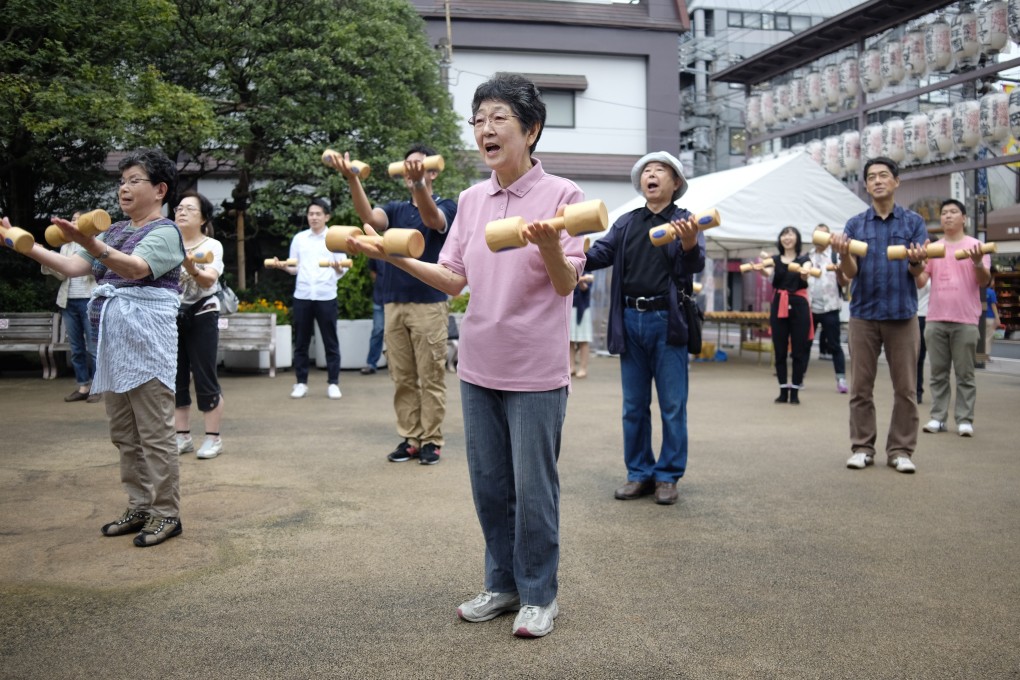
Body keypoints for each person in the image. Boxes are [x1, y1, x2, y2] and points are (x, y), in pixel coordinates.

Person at [344, 73, 585, 638]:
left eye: (499, 117)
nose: (485, 129)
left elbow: (566, 283)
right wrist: (393, 257)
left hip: (535, 370)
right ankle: (502, 586)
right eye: (478, 120)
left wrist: (550, 244)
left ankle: (539, 594)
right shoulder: (473, 201)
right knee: (490, 485)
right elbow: (452, 279)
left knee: (534, 488)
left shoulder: (564, 196)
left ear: (532, 129)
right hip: (479, 364)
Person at [5, 148, 186, 546]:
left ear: (159, 190)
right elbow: (71, 266)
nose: (124, 188)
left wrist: (90, 241)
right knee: (124, 434)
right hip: (114, 345)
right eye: (121, 181)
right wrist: (18, 241)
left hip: (148, 346)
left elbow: (135, 269)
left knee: (155, 435)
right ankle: (139, 506)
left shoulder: (166, 232)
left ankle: (166, 514)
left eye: (133, 180)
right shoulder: (116, 230)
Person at [584, 151, 705, 505]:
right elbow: (597, 254)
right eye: (647, 172)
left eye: (660, 171)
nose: (651, 176)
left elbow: (694, 264)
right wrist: (563, 247)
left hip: (667, 321)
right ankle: (639, 473)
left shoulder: (686, 220)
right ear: (641, 183)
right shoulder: (626, 222)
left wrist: (688, 241)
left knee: (672, 404)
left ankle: (667, 476)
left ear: (675, 183)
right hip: (629, 319)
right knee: (633, 406)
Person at [331, 145, 456, 466]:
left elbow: (432, 219)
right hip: (393, 303)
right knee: (401, 377)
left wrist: (419, 185)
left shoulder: (447, 206)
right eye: (407, 168)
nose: (410, 172)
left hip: (429, 303)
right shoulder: (397, 208)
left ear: (432, 171)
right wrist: (352, 180)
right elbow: (369, 217)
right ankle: (411, 437)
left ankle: (432, 439)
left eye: (418, 167)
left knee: (430, 376)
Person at [830, 157, 927, 474]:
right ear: (866, 185)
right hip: (864, 315)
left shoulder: (913, 223)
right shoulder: (855, 225)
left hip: (902, 315)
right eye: (871, 177)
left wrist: (915, 260)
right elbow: (848, 273)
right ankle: (861, 447)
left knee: (906, 389)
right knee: (860, 388)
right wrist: (844, 253)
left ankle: (900, 450)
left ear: (896, 181)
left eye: (884, 175)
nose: (877, 181)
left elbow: (918, 272)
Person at [916, 199, 992, 438]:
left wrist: (978, 261)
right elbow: (921, 282)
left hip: (966, 319)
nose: (947, 216)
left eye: (953, 212)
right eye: (944, 213)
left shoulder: (976, 246)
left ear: (964, 218)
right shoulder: (934, 247)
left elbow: (983, 281)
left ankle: (965, 419)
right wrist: (917, 263)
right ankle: (938, 417)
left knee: (965, 373)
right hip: (935, 317)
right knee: (938, 372)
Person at [268, 198, 347, 400]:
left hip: (326, 294)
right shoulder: (300, 238)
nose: (313, 217)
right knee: (301, 341)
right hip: (303, 295)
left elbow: (343, 267)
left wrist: (336, 266)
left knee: (330, 341)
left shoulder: (334, 238)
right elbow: (294, 267)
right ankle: (301, 382)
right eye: (311, 214)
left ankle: (333, 383)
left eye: (318, 213)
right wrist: (283, 266)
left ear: (326, 216)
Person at [173, 191, 226, 459]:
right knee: (175, 375)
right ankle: (182, 437)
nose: (181, 212)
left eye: (189, 209)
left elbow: (208, 280)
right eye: (179, 208)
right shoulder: (167, 243)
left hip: (203, 312)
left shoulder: (213, 246)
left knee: (205, 375)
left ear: (203, 218)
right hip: (172, 315)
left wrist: (190, 266)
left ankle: (213, 439)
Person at [41, 211, 100, 403]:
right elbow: (62, 274)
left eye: (78, 220)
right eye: (72, 219)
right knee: (76, 348)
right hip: (68, 302)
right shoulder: (65, 245)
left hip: (89, 301)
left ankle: (98, 387)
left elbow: (97, 271)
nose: (74, 222)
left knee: (93, 348)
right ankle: (83, 386)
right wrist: (44, 257)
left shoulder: (94, 242)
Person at [759, 227, 812, 404]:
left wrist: (805, 273)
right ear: (780, 239)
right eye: (784, 234)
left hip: (799, 306)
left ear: (797, 238)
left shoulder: (804, 259)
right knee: (780, 350)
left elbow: (806, 274)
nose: (787, 237)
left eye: (790, 234)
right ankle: (783, 390)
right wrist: (759, 266)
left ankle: (795, 391)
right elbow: (766, 271)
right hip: (779, 303)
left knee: (798, 350)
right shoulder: (775, 260)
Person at [807, 224, 848, 394]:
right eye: (816, 233)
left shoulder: (835, 255)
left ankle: (841, 379)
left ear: (830, 237)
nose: (819, 237)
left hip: (830, 307)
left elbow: (845, 282)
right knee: (805, 344)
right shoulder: (807, 256)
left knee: (835, 345)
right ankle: (798, 378)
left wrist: (838, 272)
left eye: (823, 234)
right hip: (810, 307)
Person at [361, 258, 387, 375]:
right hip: (380, 299)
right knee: (378, 330)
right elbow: (373, 272)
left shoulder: (401, 248)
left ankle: (399, 365)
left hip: (397, 300)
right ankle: (371, 364)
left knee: (398, 332)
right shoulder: (377, 251)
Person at [569, 273, 595, 378]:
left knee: (583, 340)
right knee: (569, 340)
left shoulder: (588, 266)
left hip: (583, 308)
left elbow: (585, 287)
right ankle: (571, 367)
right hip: (569, 306)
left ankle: (583, 368)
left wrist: (581, 281)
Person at [916, 277, 930, 404]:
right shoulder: (911, 267)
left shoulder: (933, 269)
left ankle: (917, 390)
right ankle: (915, 390)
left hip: (929, 316)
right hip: (914, 314)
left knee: (920, 356)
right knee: (915, 357)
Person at [984, 278, 1000, 362]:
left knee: (981, 337)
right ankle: (986, 356)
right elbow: (993, 305)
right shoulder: (991, 292)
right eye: (993, 280)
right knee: (988, 337)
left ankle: (979, 355)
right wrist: (997, 317)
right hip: (990, 317)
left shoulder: (979, 290)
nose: (994, 282)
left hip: (980, 318)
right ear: (989, 281)